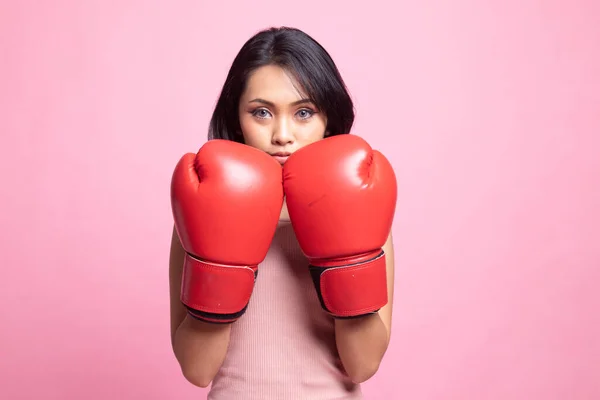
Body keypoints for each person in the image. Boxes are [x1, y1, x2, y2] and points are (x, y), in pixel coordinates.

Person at [169, 26, 397, 399]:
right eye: (261, 112)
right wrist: (222, 257)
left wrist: (345, 256)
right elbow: (197, 370)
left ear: (328, 121)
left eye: (304, 112)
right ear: (238, 122)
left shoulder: (366, 215)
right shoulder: (197, 215)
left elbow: (363, 365)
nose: (282, 134)